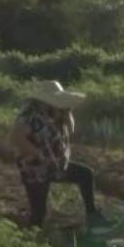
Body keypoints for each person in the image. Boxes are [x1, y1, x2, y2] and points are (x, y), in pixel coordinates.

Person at [8, 80, 107, 228]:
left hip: (57, 165)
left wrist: (67, 113)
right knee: (39, 212)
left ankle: (92, 215)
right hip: (36, 170)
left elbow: (71, 130)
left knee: (85, 175)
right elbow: (15, 138)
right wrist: (37, 154)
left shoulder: (57, 112)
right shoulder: (29, 116)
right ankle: (30, 241)